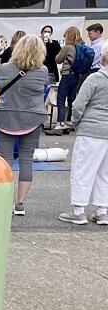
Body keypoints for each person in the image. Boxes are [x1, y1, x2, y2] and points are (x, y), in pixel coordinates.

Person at [0, 35, 50, 217]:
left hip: (4, 116)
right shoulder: (43, 71)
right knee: (26, 159)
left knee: (4, 159)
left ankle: (3, 201)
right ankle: (20, 203)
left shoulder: (5, 68)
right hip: (32, 118)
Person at [59, 52, 108, 225]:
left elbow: (79, 104)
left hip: (91, 129)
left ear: (103, 58)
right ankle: (102, 211)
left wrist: (76, 122)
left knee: (83, 170)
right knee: (104, 173)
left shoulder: (95, 78)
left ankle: (79, 211)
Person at [54, 27, 88, 132]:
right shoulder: (82, 47)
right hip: (77, 75)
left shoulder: (68, 47)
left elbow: (58, 60)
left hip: (67, 75)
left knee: (61, 99)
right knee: (72, 99)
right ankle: (70, 122)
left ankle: (60, 123)